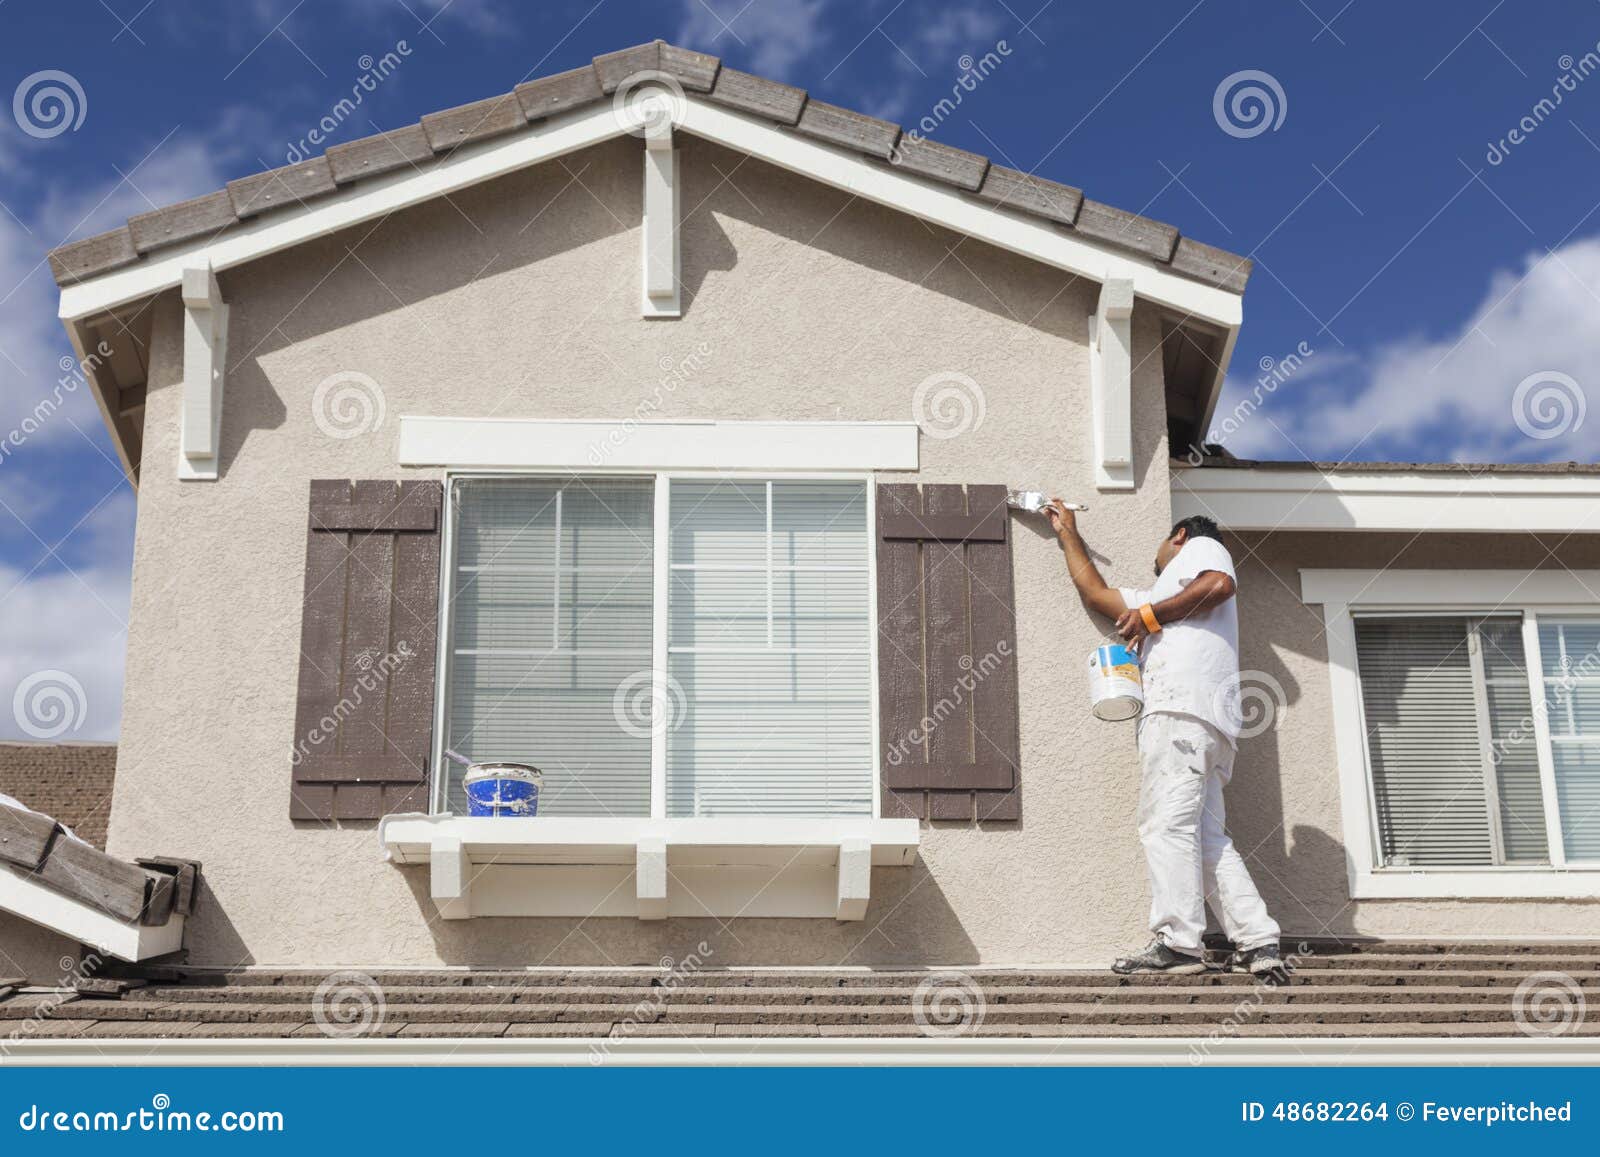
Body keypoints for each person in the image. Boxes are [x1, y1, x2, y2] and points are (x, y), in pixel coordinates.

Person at [1047, 501, 1282, 976]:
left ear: (1178, 537)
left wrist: (1150, 616)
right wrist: (1068, 532)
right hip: (1207, 723)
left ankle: (1179, 942)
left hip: (1180, 712)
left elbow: (1218, 585)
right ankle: (1258, 942)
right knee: (1206, 837)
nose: (1158, 568)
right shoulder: (1160, 594)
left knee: (1165, 826)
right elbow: (1095, 594)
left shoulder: (1201, 547)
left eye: (1161, 557)